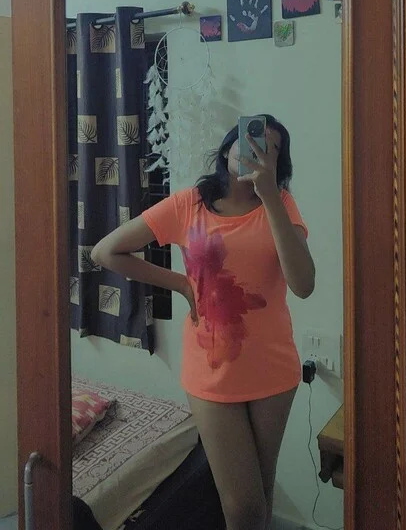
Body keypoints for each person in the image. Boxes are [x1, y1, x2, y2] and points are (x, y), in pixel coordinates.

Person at [91, 114, 315, 530]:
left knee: (261, 493)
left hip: (273, 369)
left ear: (278, 164)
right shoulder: (189, 204)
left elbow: (303, 285)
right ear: (229, 146)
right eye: (250, 139)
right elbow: (105, 252)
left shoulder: (281, 204)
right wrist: (180, 283)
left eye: (270, 148)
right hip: (211, 371)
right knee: (242, 507)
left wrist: (269, 197)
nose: (256, 151)